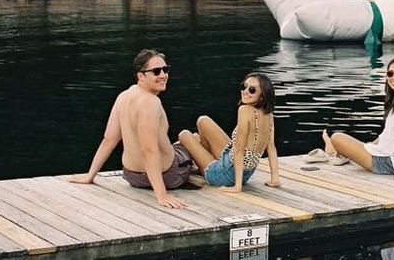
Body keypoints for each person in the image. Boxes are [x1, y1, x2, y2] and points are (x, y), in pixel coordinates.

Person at [70, 49, 191, 208]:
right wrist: (162, 195)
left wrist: (90, 176)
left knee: (181, 142)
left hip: (133, 177)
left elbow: (109, 140)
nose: (163, 75)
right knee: (193, 140)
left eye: (165, 69)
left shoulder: (123, 97)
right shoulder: (151, 102)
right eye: (156, 71)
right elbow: (148, 149)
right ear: (141, 76)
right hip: (168, 175)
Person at [322, 57, 394, 181]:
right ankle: (337, 150)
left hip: (390, 163)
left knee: (337, 138)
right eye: (390, 73)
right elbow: (390, 133)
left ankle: (332, 147)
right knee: (363, 145)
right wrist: (372, 145)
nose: (393, 78)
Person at [178, 73, 280, 192]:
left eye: (252, 90)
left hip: (224, 175)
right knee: (203, 121)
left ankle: (203, 167)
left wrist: (237, 187)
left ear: (262, 96)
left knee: (184, 135)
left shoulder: (244, 110)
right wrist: (275, 179)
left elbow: (239, 149)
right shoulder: (268, 115)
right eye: (244, 86)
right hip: (245, 173)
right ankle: (205, 161)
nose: (245, 91)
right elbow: (271, 148)